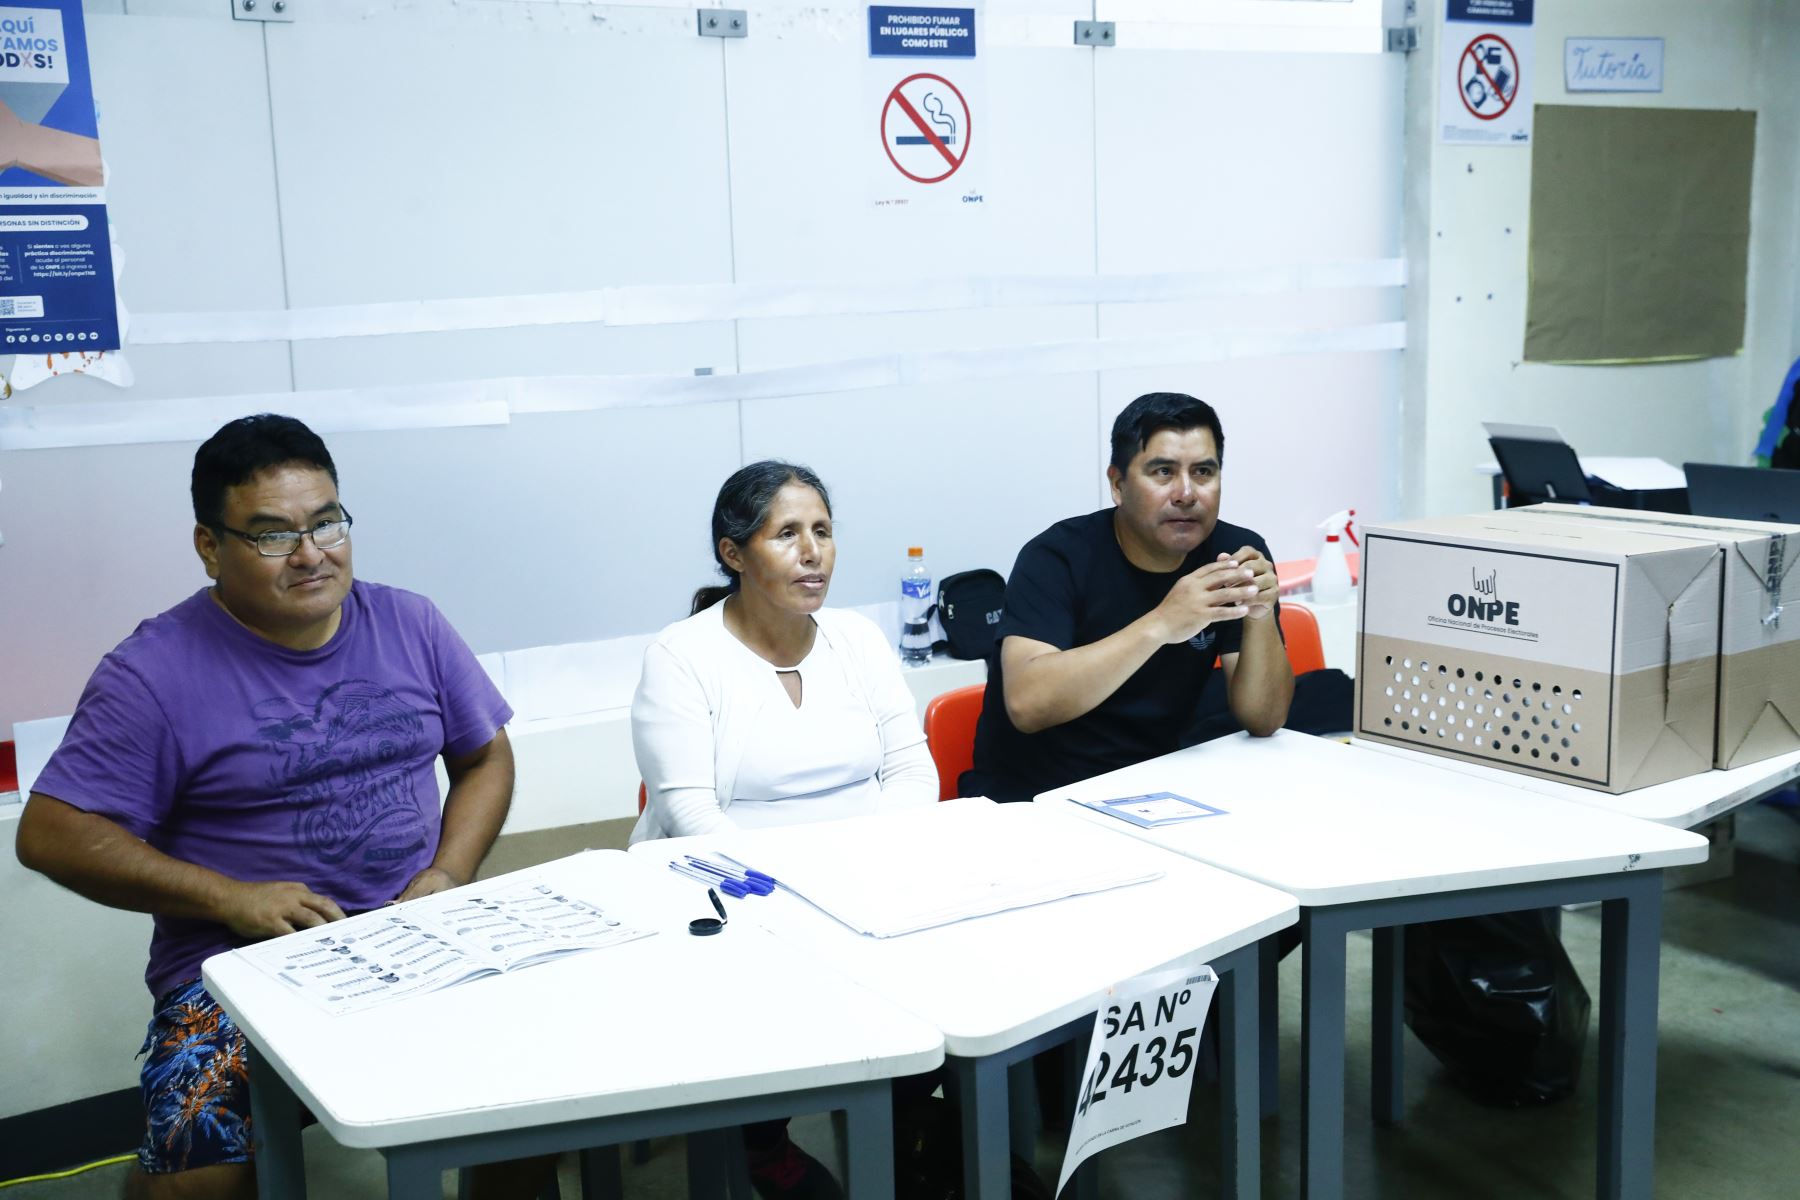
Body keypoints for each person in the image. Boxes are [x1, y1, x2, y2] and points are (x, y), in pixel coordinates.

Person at [14, 415, 520, 1200]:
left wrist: (449, 873)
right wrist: (230, 898)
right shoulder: (153, 671)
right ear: (210, 546)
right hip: (241, 968)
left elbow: (484, 756)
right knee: (198, 1178)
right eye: (274, 535)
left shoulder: (411, 623)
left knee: (552, 1085)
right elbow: (51, 834)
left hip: (415, 937)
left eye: (327, 523)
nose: (311, 553)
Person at [628, 460, 936, 1198]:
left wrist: (869, 868)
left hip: (866, 881)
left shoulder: (856, 639)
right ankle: (761, 1141)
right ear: (733, 554)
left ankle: (901, 1127)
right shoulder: (682, 656)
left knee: (938, 989)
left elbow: (911, 769)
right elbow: (691, 816)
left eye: (823, 531)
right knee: (768, 1004)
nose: (813, 552)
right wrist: (801, 895)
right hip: (730, 896)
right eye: (788, 534)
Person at [966, 392, 1294, 804]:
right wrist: (1162, 623)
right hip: (1034, 796)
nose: (1186, 493)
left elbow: (1264, 719)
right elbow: (1027, 705)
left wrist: (1259, 616)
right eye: (1163, 472)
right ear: (1118, 485)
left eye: (1203, 472)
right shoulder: (1056, 557)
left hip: (1155, 786)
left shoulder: (1233, 555)